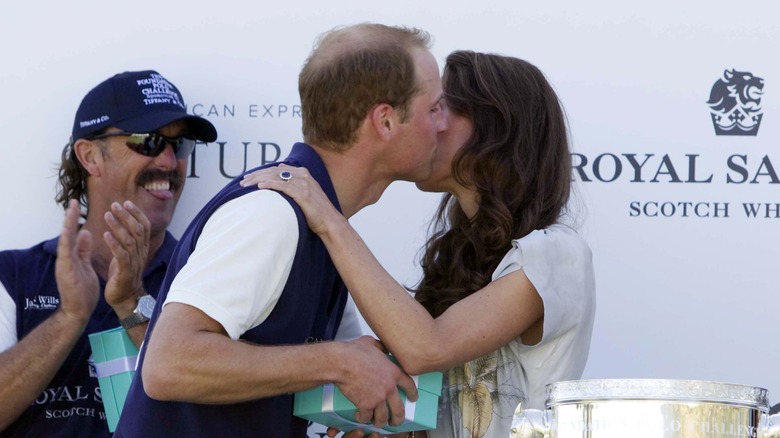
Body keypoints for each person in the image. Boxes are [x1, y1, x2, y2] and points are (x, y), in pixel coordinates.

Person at [114, 23, 447, 438]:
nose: (444, 124)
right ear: (384, 121)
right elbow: (168, 364)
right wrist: (338, 362)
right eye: (434, 108)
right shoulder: (271, 212)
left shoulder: (320, 223)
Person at [242, 50, 596, 438]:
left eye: (443, 108)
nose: (430, 123)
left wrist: (328, 219)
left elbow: (427, 347)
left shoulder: (558, 254)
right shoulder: (458, 253)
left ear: (494, 130)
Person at [0, 70, 217, 437]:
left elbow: (227, 411)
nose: (167, 162)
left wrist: (134, 303)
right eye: (148, 141)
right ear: (90, 156)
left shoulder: (204, 275)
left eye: (179, 145)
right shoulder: (14, 275)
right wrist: (70, 316)